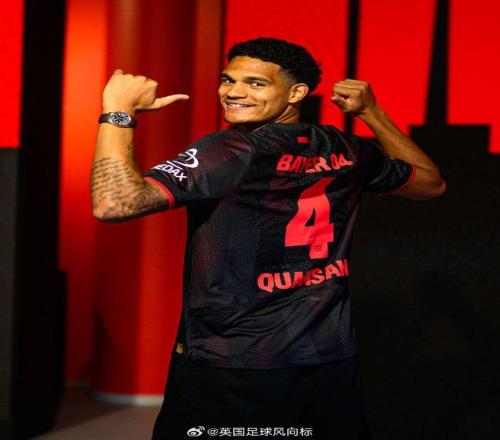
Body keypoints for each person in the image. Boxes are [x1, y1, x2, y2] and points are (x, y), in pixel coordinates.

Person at [91, 37, 445, 439]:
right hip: (327, 359)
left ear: (296, 93)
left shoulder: (232, 149)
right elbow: (430, 183)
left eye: (256, 83)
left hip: (233, 363)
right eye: (228, 80)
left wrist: (117, 112)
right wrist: (371, 113)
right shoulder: (346, 148)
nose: (233, 92)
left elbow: (113, 203)